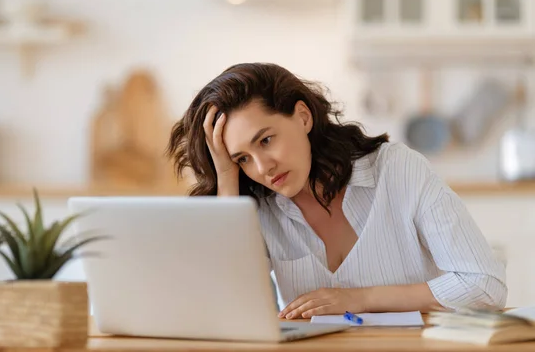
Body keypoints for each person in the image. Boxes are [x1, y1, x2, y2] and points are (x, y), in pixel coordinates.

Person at [166, 63, 507, 320]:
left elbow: (485, 286)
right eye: (242, 158)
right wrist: (227, 181)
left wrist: (359, 299)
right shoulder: (257, 204)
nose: (262, 168)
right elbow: (228, 312)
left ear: (302, 117)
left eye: (266, 140)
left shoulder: (396, 170)